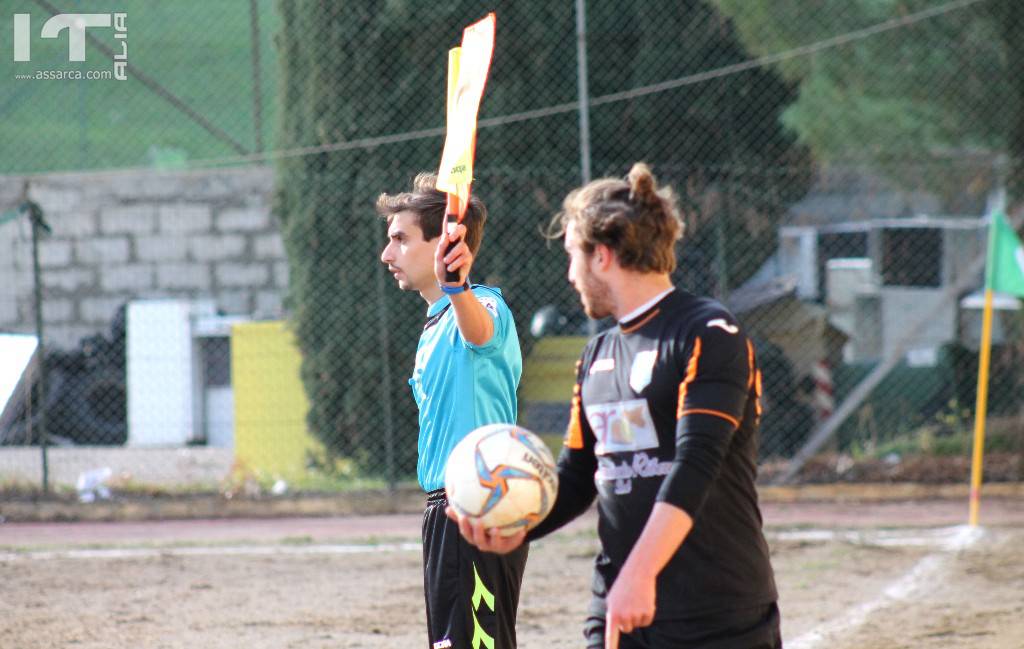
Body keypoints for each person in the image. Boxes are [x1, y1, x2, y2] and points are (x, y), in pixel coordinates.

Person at [447, 163, 781, 649]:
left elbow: (696, 464)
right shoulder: (596, 356)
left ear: (601, 256)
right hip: (619, 607)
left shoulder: (709, 334)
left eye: (570, 256)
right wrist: (519, 527)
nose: (569, 275)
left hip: (716, 610)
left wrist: (641, 574)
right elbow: (579, 475)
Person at [377, 173, 528, 649]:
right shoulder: (433, 327)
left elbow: (479, 331)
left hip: (479, 505)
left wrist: (457, 287)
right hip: (444, 511)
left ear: (442, 243)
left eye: (400, 239)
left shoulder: (482, 304)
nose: (387, 254)